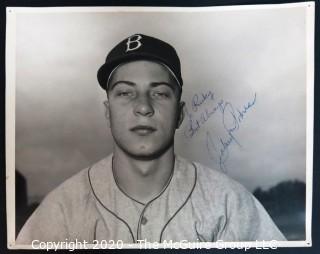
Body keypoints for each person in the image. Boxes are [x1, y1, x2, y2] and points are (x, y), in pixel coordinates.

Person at [17, 34, 286, 245]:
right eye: (125, 93)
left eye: (159, 93)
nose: (143, 107)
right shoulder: (63, 208)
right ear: (107, 112)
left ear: (180, 114)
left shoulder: (229, 203)